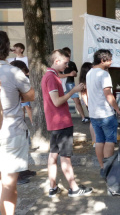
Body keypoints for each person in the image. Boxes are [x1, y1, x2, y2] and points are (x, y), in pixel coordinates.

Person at [41, 49, 93, 198]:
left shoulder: (50, 75)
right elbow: (57, 101)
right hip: (61, 121)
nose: (67, 66)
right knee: (65, 156)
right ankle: (74, 188)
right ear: (56, 61)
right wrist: (73, 91)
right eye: (65, 63)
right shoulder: (51, 77)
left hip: (55, 121)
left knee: (53, 154)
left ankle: (53, 187)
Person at [0, 31, 34, 215]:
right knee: (8, 183)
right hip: (10, 131)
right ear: (7, 48)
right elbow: (31, 95)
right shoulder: (13, 71)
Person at [86, 49, 120, 170]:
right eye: (110, 60)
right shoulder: (104, 74)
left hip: (93, 114)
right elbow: (108, 94)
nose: (111, 62)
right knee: (110, 140)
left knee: (99, 141)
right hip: (106, 113)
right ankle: (108, 169)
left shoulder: (89, 72)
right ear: (102, 60)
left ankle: (102, 167)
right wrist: (118, 109)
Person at [8, 60, 37, 184]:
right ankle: (17, 175)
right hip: (10, 121)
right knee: (15, 148)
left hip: (17, 118)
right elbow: (30, 96)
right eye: (24, 73)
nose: (26, 76)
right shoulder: (12, 77)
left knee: (24, 144)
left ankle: (23, 170)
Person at [61, 47, 89, 123]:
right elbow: (58, 75)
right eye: (67, 53)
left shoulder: (72, 63)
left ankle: (83, 117)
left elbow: (75, 74)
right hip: (62, 85)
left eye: (69, 53)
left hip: (71, 83)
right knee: (62, 102)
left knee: (77, 100)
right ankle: (63, 119)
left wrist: (73, 74)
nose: (69, 54)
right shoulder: (60, 64)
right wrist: (69, 74)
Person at [79, 62, 96, 146]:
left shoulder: (85, 80)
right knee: (93, 122)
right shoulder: (85, 82)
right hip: (91, 104)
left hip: (91, 104)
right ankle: (94, 141)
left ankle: (94, 141)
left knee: (93, 122)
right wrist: (89, 105)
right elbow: (84, 95)